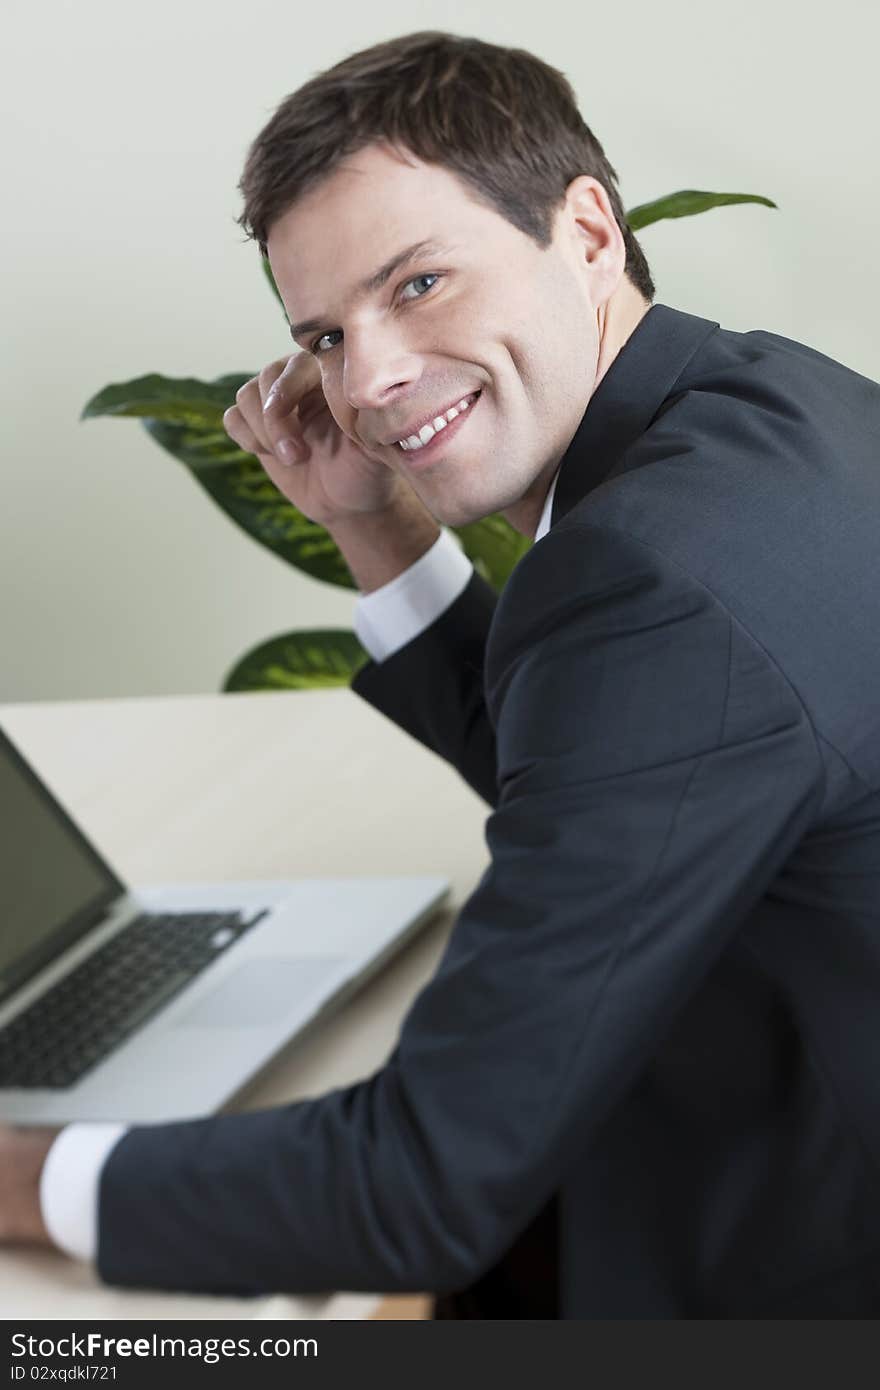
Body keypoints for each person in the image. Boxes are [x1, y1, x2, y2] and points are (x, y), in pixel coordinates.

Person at [2, 28, 880, 1319]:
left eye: (416, 285)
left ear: (587, 231)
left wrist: (26, 1178)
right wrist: (374, 521)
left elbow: (420, 1183)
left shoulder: (654, 579)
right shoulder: (768, 403)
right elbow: (619, 774)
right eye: (325, 334)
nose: (367, 381)